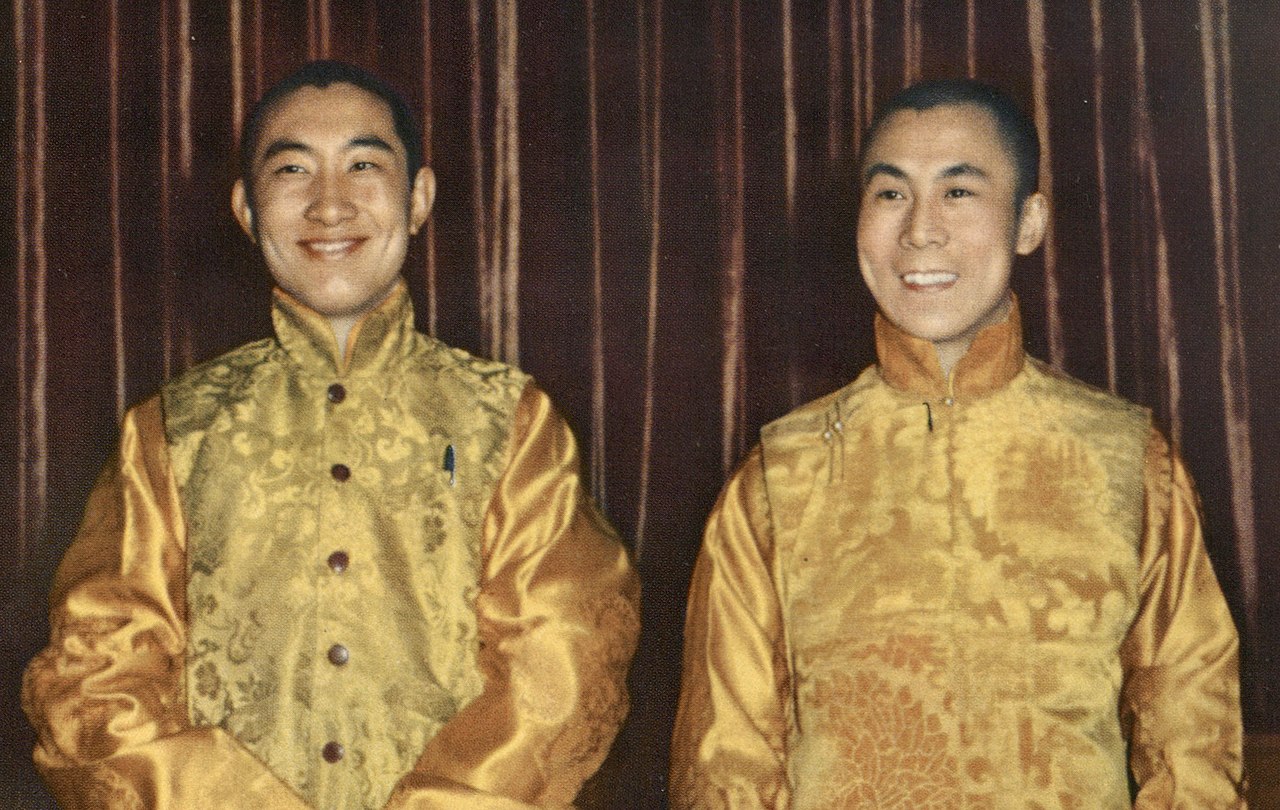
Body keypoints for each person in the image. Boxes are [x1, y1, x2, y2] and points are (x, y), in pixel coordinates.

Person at [23, 60, 640, 810]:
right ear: (247, 210)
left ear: (418, 198)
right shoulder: (171, 431)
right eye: (291, 169)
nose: (329, 203)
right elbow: (96, 678)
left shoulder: (511, 420)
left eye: (362, 164)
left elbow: (561, 666)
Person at [670, 79, 1245, 808]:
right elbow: (726, 765)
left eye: (959, 192)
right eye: (890, 194)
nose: (919, 231)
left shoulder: (1127, 460)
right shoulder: (779, 476)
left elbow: (1192, 741)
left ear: (1028, 221)